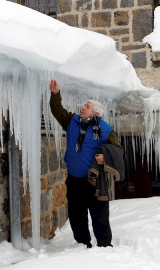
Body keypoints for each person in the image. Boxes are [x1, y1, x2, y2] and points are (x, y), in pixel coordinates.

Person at [49, 79, 123, 248]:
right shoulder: (72, 121)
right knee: (76, 214)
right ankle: (83, 244)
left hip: (94, 180)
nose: (83, 108)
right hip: (74, 179)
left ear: (96, 113)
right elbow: (57, 110)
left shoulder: (104, 129)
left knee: (99, 214)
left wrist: (105, 158)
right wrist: (55, 94)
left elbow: (118, 151)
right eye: (84, 105)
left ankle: (105, 245)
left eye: (87, 107)